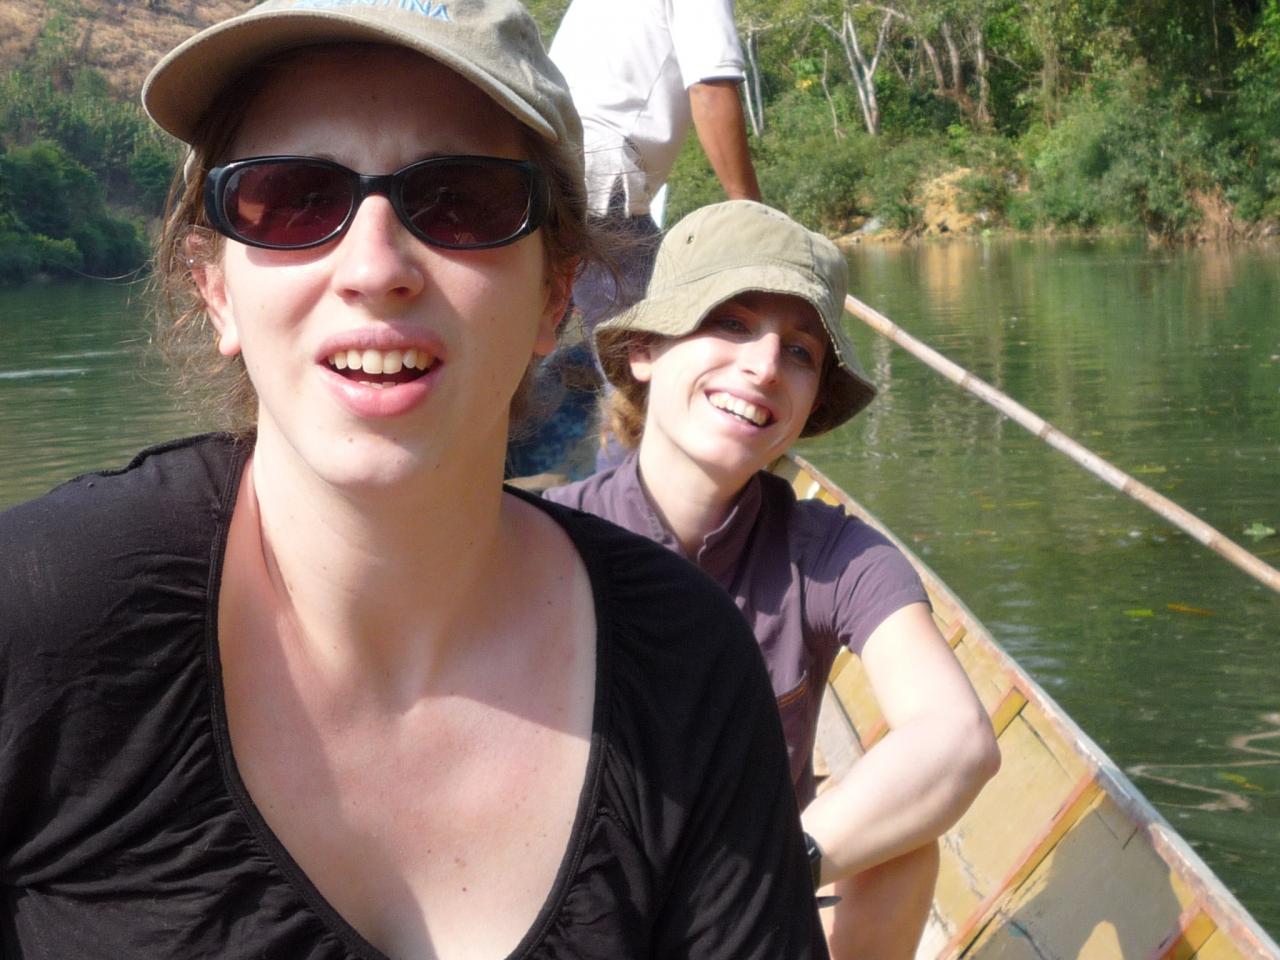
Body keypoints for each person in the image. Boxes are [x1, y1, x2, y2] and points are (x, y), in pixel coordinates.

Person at [0, 6, 828, 957]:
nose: (375, 268)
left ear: (554, 294)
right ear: (216, 288)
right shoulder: (37, 621)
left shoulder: (689, 664)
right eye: (292, 198)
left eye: (460, 200)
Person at [545, 200, 1002, 959]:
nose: (763, 366)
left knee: (901, 849)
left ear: (809, 403)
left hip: (746, 917)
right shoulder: (549, 540)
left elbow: (956, 739)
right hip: (581, 915)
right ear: (645, 351)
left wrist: (758, 876)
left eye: (799, 352)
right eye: (729, 323)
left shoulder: (834, 555)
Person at [505, 0, 763, 477]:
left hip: (544, 173)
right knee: (651, 373)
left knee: (537, 351)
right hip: (603, 182)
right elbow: (710, 90)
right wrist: (752, 214)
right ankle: (627, 502)